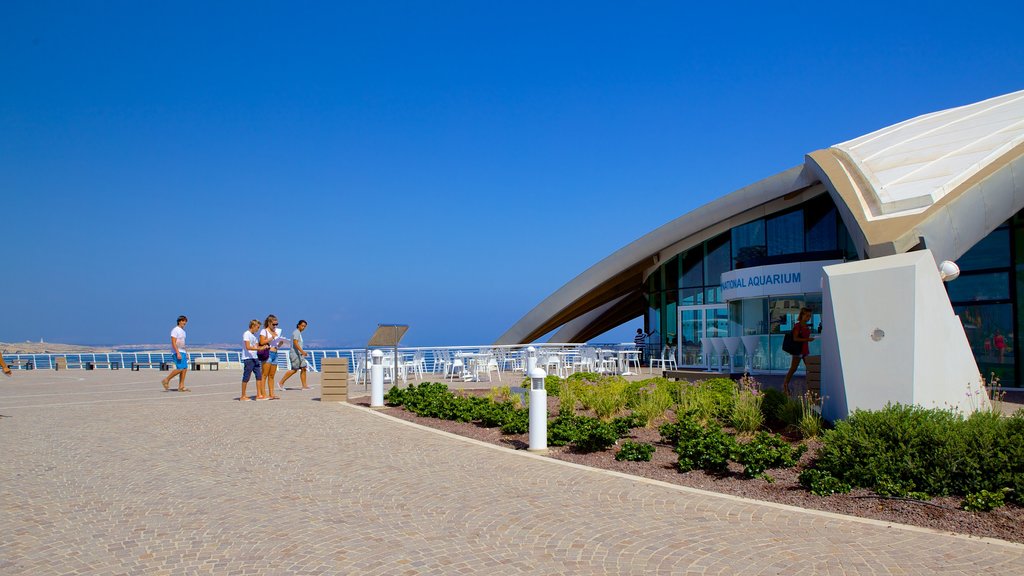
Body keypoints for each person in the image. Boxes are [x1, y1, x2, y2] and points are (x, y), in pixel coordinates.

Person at [782, 308, 814, 396]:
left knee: (810, 369)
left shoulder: (806, 326)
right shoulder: (797, 326)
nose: (808, 317)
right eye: (807, 315)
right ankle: (785, 386)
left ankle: (811, 389)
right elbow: (795, 338)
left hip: (805, 351)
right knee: (793, 369)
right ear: (802, 315)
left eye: (810, 316)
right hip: (798, 351)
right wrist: (808, 339)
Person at [279, 319, 311, 390]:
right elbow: (295, 343)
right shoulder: (296, 332)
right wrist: (302, 351)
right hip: (295, 354)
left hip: (299, 354)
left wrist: (301, 353)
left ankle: (304, 386)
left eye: (305, 326)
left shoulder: (299, 333)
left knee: (304, 368)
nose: (303, 327)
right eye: (302, 326)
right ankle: (281, 382)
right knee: (294, 370)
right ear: (298, 325)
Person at [241, 319, 268, 400]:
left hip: (255, 358)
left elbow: (257, 347)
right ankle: (243, 395)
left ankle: (259, 395)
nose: (258, 329)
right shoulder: (247, 334)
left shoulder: (255, 336)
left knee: (259, 376)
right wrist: (259, 349)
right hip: (248, 358)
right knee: (246, 376)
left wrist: (263, 347)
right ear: (253, 326)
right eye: (257, 327)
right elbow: (248, 347)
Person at [161, 315, 190, 392]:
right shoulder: (175, 330)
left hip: (183, 351)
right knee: (180, 368)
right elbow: (173, 342)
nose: (185, 323)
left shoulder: (183, 331)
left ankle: (181, 386)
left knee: (184, 369)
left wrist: (186, 353)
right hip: (177, 351)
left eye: (185, 321)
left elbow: (183, 343)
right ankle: (166, 380)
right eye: (183, 321)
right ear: (179, 321)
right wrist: (177, 353)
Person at [259, 314, 282, 399]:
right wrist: (272, 337)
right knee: (264, 374)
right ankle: (263, 394)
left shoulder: (276, 332)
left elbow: (276, 344)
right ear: (269, 323)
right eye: (273, 324)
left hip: (275, 353)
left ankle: (271, 394)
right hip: (268, 353)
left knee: (272, 375)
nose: (275, 326)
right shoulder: (264, 331)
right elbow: (261, 342)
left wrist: (280, 343)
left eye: (276, 324)